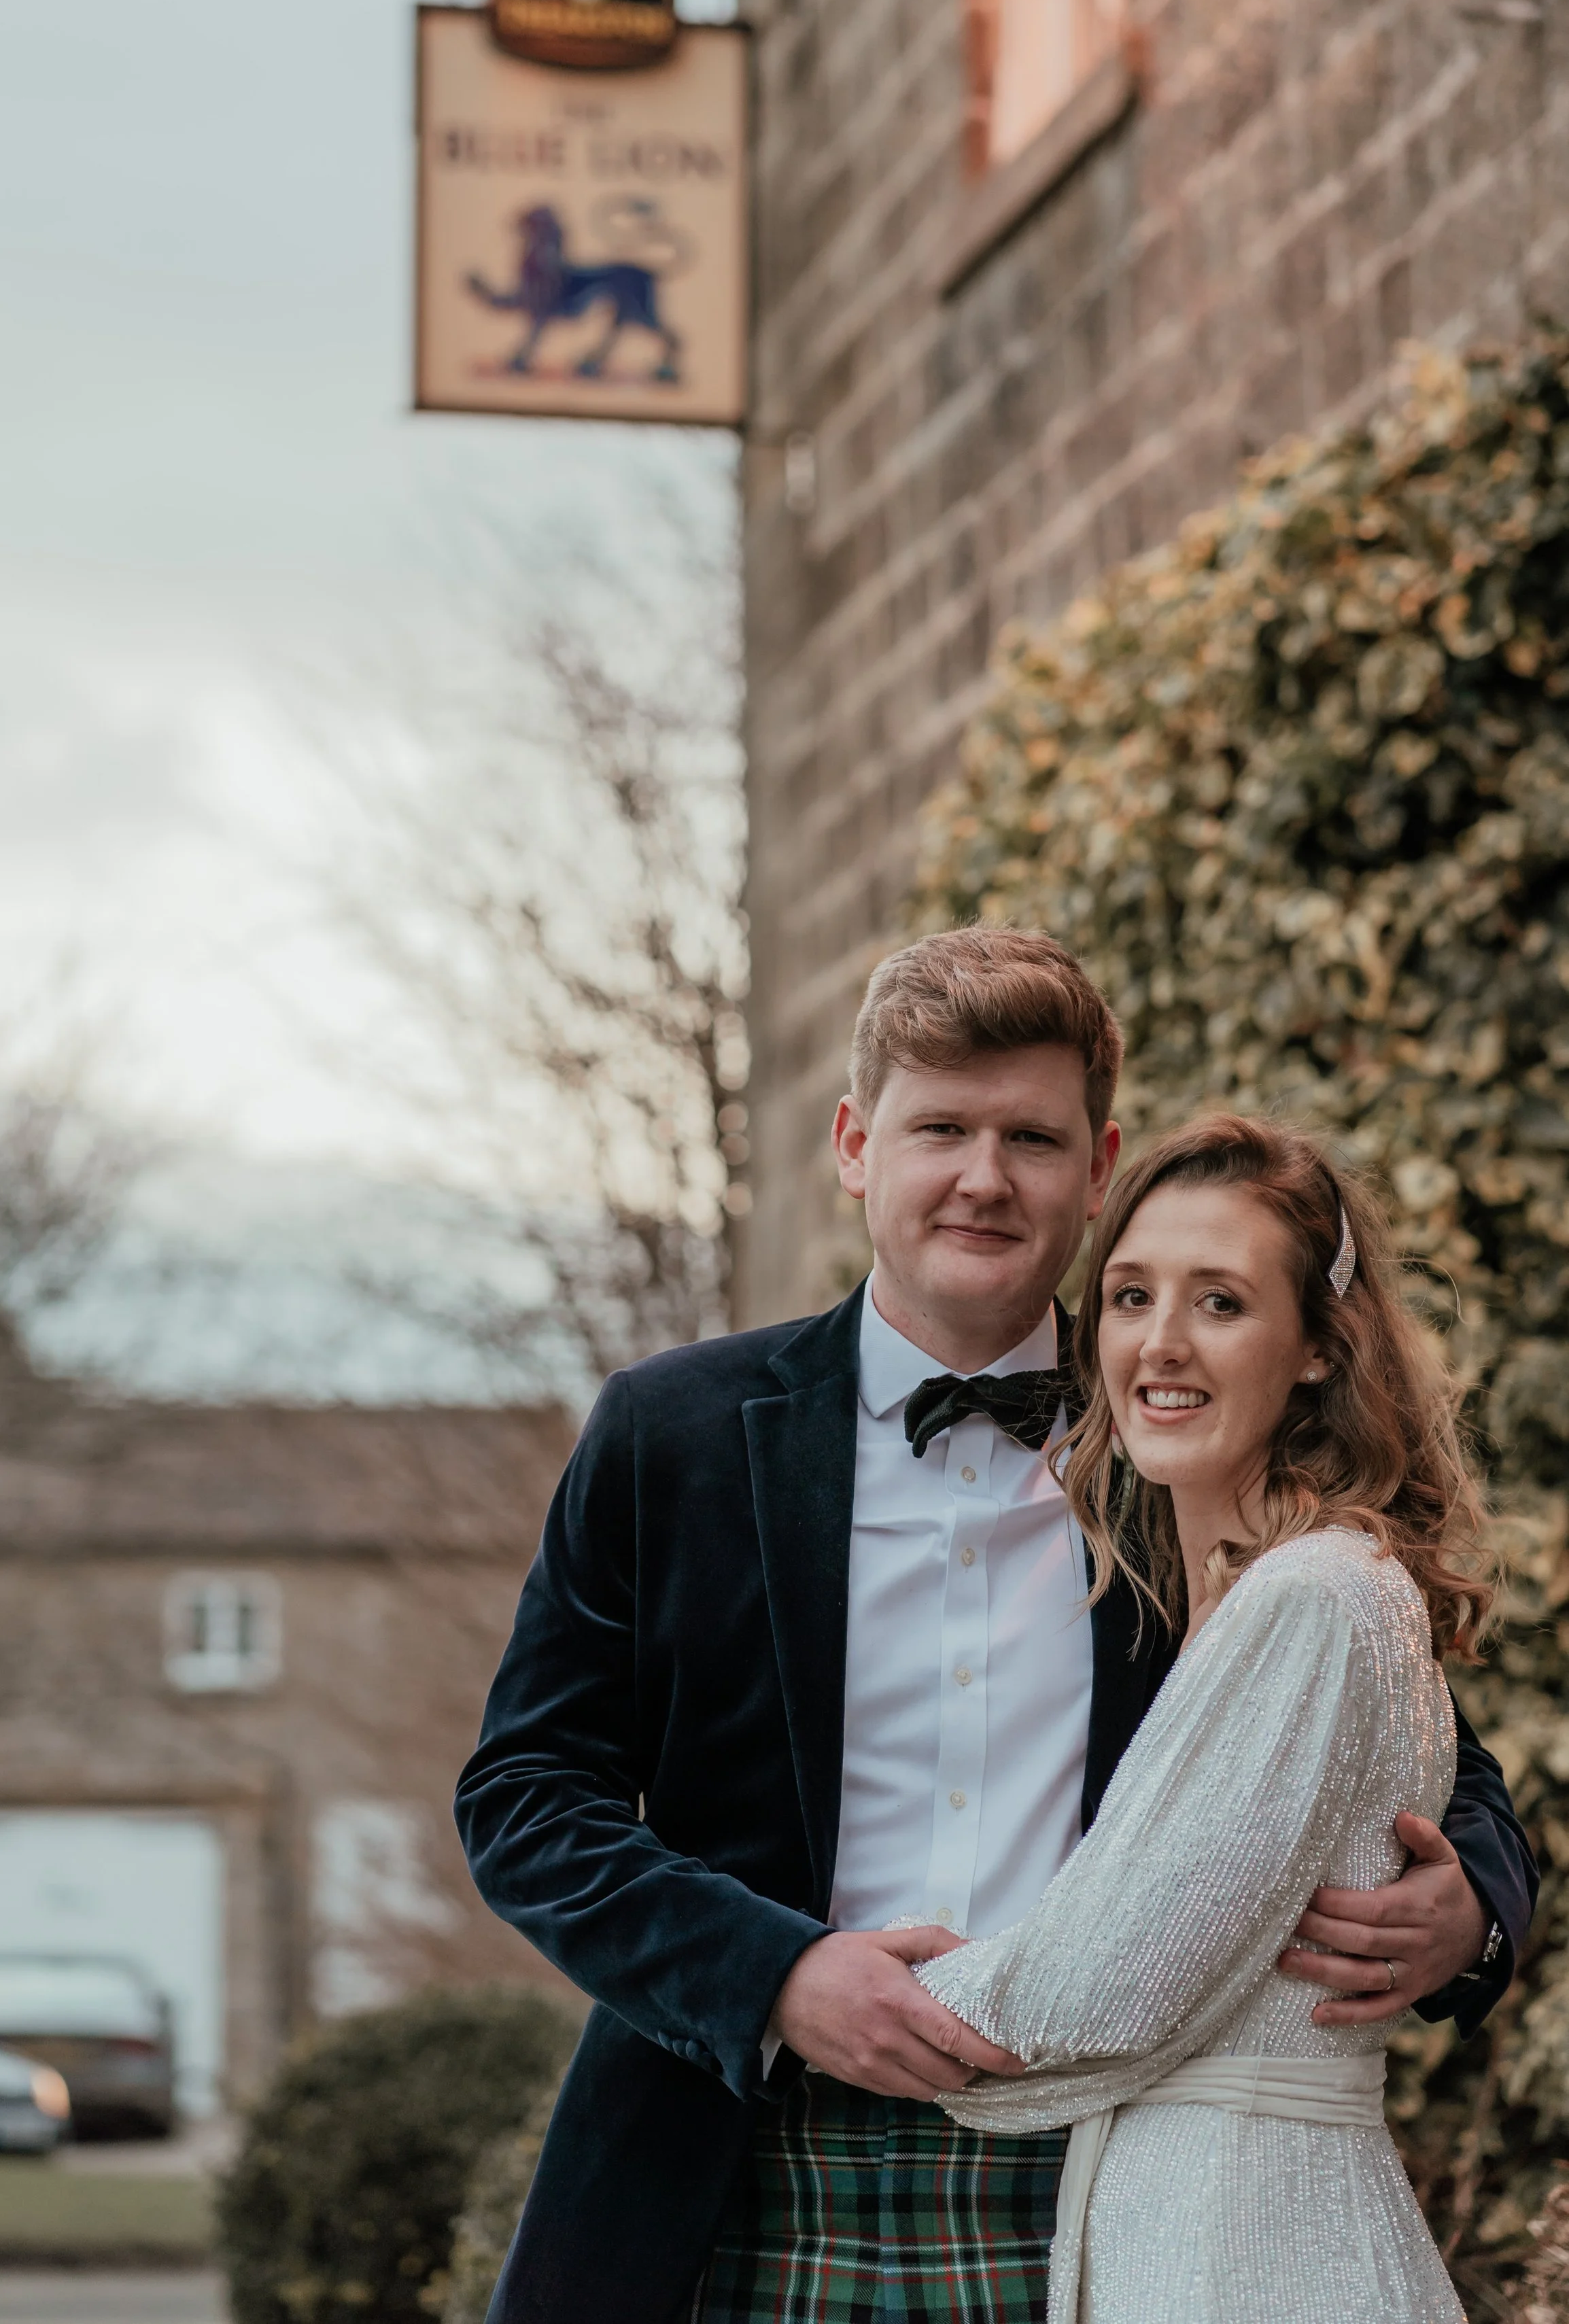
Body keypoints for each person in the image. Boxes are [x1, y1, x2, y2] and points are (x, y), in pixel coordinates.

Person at [454, 929, 1534, 2324]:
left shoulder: (1180, 1436)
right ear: (854, 1146)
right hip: (732, 2162)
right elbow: (527, 1796)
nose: (981, 1175)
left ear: (1097, 1167)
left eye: (1029, 1136)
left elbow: (1417, 1735)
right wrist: (775, 1975)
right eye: (938, 1130)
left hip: (1089, 2168)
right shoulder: (673, 1438)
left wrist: (1471, 1914)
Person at [914, 1113, 1494, 2321]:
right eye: (1129, 1295)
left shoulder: (1309, 1597)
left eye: (1220, 1302)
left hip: (1249, 2250)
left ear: (1320, 1347)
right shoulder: (1270, 1591)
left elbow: (1094, 1991)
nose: (1160, 1344)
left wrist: (823, 1988)